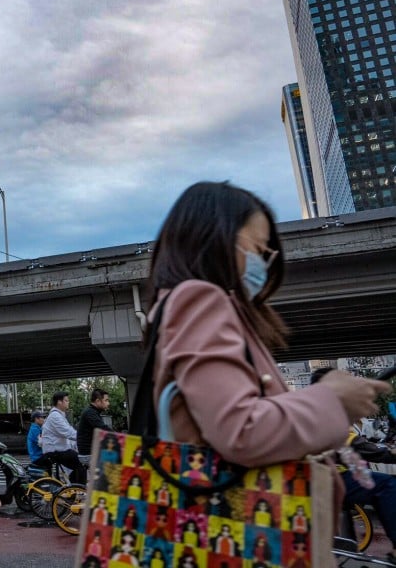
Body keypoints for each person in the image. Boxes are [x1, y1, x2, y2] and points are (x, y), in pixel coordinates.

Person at [146, 184, 388, 507]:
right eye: (258, 248)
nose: (264, 262)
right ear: (213, 239)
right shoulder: (200, 299)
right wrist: (332, 399)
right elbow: (241, 430)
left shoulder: (186, 303)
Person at [309, 367, 396, 562]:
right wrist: (389, 453)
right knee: (386, 484)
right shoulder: (327, 414)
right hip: (327, 479)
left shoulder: (317, 411)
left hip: (325, 476)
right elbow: (357, 445)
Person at [36, 391, 86, 484]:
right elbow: (68, 432)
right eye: (66, 400)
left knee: (79, 464)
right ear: (59, 402)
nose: (68, 402)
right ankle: (79, 490)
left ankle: (73, 489)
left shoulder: (58, 415)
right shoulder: (55, 416)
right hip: (55, 451)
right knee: (82, 461)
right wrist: (84, 438)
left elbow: (69, 433)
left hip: (59, 450)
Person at [76, 388, 110, 459]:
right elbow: (104, 429)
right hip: (88, 454)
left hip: (92, 452)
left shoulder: (93, 412)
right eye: (106, 400)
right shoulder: (90, 413)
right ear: (97, 401)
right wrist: (122, 438)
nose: (108, 403)